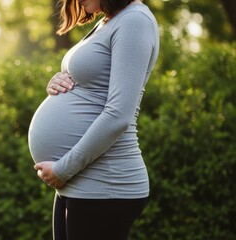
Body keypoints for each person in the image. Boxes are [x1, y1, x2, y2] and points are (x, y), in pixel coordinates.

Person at [27, 0, 160, 239]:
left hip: (105, 184)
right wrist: (58, 82)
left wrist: (63, 169)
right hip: (80, 183)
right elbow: (93, 84)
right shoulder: (110, 21)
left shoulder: (135, 21)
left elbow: (119, 115)